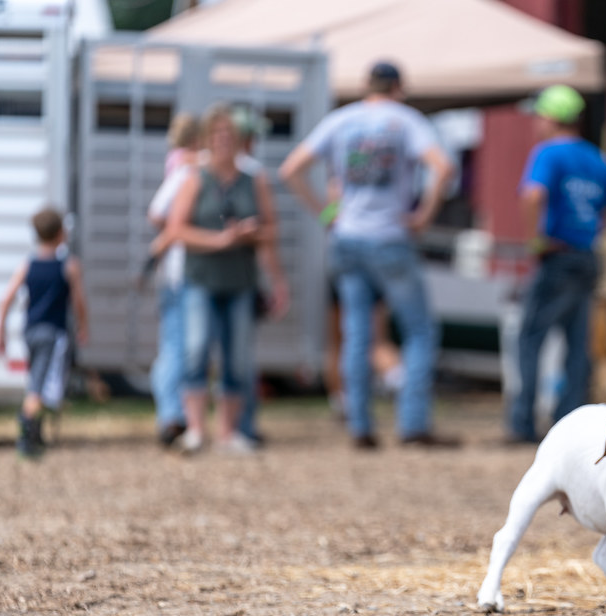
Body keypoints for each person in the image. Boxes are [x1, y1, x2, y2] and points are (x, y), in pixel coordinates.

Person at [279, 60, 457, 450]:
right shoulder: (406, 120)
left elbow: (291, 168)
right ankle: (412, 425)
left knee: (356, 335)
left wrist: (326, 213)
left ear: (366, 85)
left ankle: (360, 425)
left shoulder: (342, 120)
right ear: (399, 87)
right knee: (419, 331)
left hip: (347, 238)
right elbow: (442, 168)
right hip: (390, 237)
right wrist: (424, 215)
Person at [506, 85, 606, 445]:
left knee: (530, 338)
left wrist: (535, 239)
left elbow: (533, 194)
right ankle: (567, 426)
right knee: (578, 344)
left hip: (557, 256)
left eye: (540, 115)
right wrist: (598, 224)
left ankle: (522, 425)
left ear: (551, 117)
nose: (537, 122)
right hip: (587, 256)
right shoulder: (592, 156)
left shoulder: (548, 153)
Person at [166, 103, 285, 454]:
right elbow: (175, 229)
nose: (222, 141)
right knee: (196, 350)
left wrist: (271, 269)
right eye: (216, 135)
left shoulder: (255, 180)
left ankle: (229, 433)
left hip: (241, 280)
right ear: (206, 139)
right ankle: (195, 430)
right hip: (200, 277)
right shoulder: (193, 178)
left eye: (229, 135)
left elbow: (271, 231)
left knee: (238, 357)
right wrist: (219, 240)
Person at [0, 207, 89, 459]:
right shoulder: (68, 265)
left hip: (30, 332)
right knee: (44, 385)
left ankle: (34, 432)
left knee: (38, 379)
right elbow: (79, 301)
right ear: (61, 233)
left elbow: (6, 300)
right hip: (54, 333)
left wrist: (0, 334)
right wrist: (83, 326)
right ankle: (27, 430)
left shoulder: (28, 264)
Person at [231, 105, 289, 444]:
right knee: (240, 356)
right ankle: (243, 426)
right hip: (240, 278)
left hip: (196, 277)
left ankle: (183, 423)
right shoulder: (254, 175)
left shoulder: (197, 169)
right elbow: (269, 235)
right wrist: (278, 280)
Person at [147, 112, 201, 448]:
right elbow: (158, 213)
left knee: (172, 347)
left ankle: (172, 414)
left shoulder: (177, 161)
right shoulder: (189, 167)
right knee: (178, 349)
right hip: (182, 271)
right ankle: (170, 416)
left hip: (171, 270)